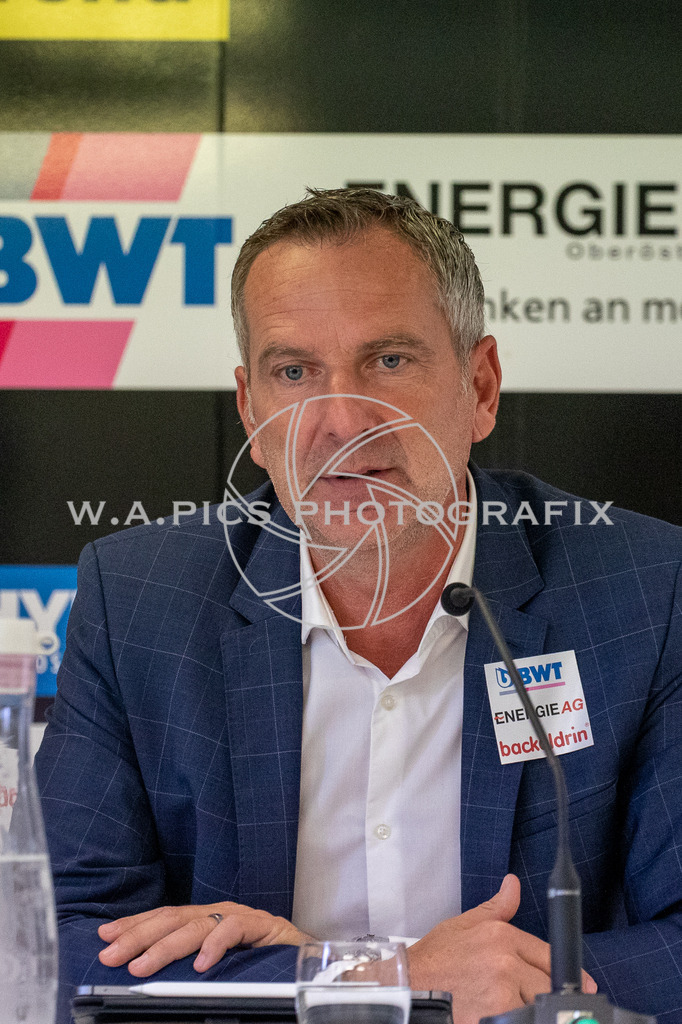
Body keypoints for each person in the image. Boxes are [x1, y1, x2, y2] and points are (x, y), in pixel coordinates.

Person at [36, 189, 682, 1024]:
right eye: (294, 371)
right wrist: (370, 975)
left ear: (480, 387)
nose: (340, 419)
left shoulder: (643, 588)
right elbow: (53, 947)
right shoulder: (140, 601)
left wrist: (507, 989)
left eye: (389, 361)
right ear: (252, 412)